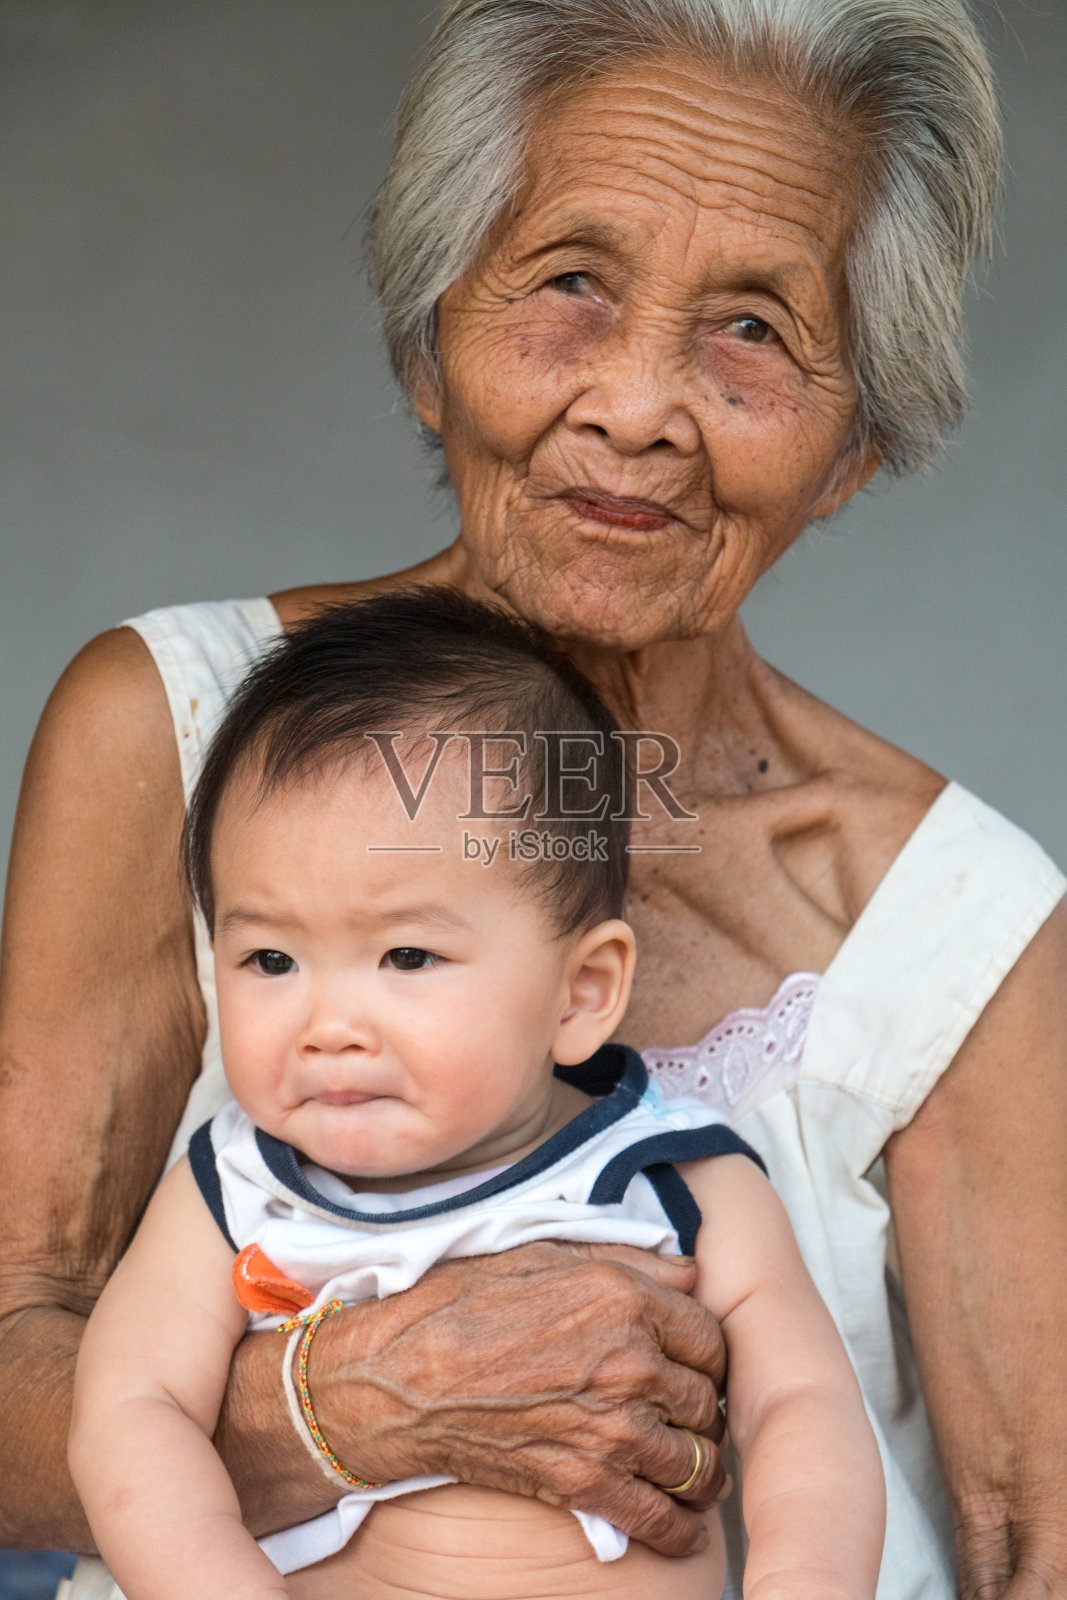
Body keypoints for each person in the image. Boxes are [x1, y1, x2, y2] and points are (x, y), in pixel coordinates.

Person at [1, 3, 1064, 1599]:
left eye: (753, 326)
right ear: (429, 342)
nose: (636, 405)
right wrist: (362, 1399)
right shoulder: (177, 727)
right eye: (570, 281)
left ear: (855, 444)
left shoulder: (956, 927)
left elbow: (1030, 1538)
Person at [68, 590, 885, 1600]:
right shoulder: (231, 1189)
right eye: (270, 958)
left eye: (407, 956)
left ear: (580, 993)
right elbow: (131, 1412)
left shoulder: (673, 1176)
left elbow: (800, 1404)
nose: (329, 1024)